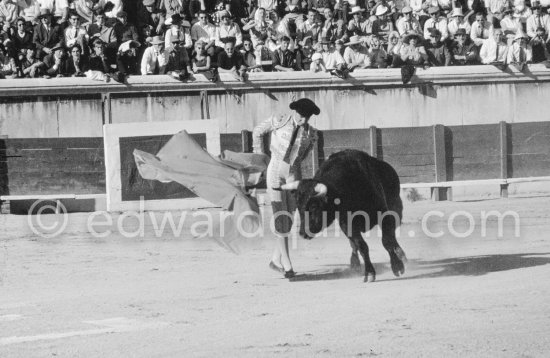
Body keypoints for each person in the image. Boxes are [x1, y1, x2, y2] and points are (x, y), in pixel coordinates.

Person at [252, 98, 320, 278]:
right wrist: (260, 156)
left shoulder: (311, 134)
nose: (304, 120)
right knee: (281, 217)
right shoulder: (279, 120)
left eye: (308, 117)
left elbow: (303, 155)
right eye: (302, 116)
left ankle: (275, 259)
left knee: (288, 219)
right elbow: (257, 132)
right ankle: (287, 264)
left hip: (293, 174)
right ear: (295, 112)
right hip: (275, 171)